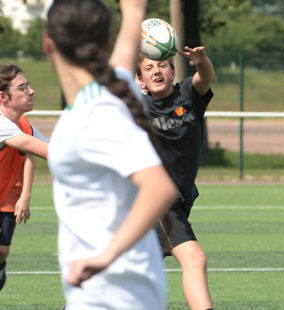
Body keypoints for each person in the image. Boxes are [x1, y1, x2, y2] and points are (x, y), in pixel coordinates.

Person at [42, 0, 177, 309]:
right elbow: (127, 45)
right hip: (114, 292)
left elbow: (159, 188)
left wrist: (106, 255)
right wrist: (133, 13)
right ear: (104, 41)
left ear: (46, 43)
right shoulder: (113, 89)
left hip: (110, 295)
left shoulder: (96, 114)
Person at [136, 46, 215, 310]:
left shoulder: (187, 95)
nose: (156, 71)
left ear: (172, 71)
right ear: (140, 80)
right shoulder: (137, 110)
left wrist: (202, 62)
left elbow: (204, 78)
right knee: (195, 258)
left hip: (180, 200)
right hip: (157, 201)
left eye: (162, 65)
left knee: (133, 273)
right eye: (148, 68)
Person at [0, 64, 48, 291]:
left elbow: (51, 149)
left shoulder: (23, 125)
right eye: (23, 87)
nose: (31, 91)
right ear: (3, 97)